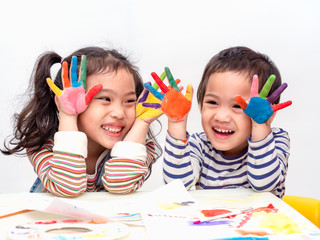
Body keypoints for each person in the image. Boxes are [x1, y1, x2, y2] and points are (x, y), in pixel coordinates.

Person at [1, 46, 162, 197]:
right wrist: (68, 115)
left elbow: (121, 186)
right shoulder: (41, 143)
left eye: (129, 101)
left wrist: (143, 122)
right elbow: (67, 187)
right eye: (105, 98)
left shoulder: (139, 146)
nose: (119, 113)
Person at [145, 46, 291, 198]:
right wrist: (176, 123)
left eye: (237, 106)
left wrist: (260, 124)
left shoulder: (276, 140)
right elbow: (177, 187)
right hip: (210, 221)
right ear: (200, 104)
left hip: (263, 221)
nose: (221, 117)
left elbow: (264, 184)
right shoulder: (199, 144)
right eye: (213, 103)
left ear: (268, 113)